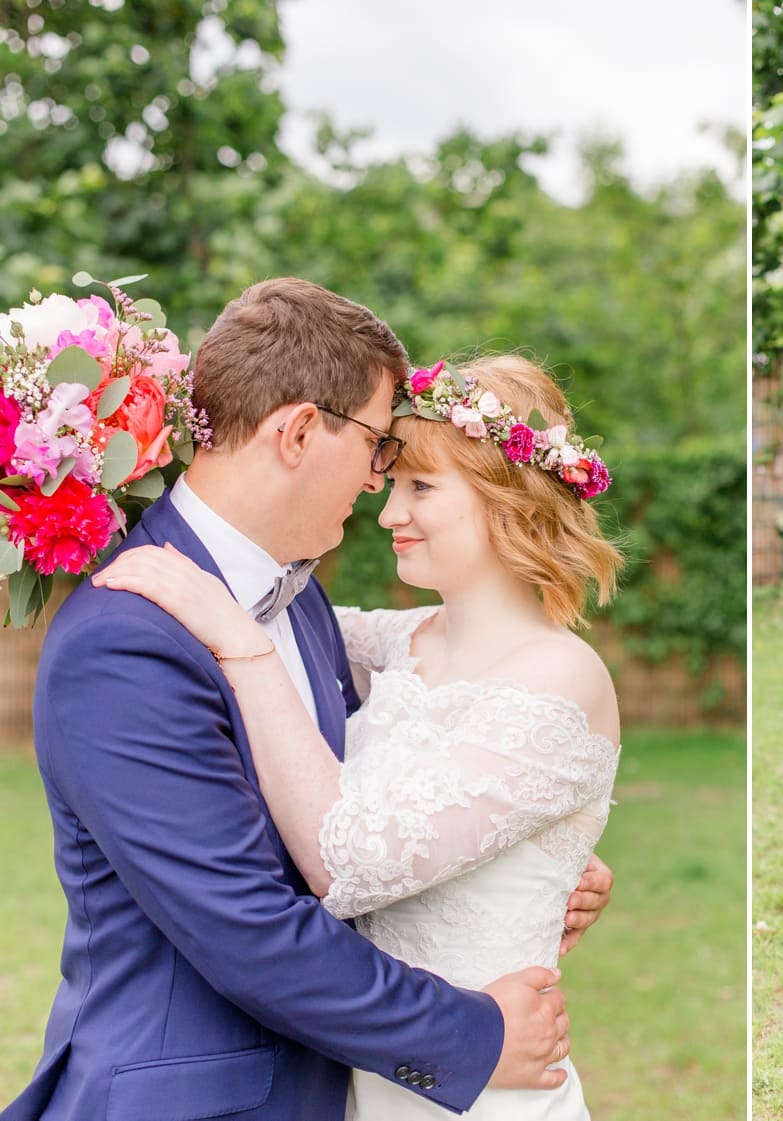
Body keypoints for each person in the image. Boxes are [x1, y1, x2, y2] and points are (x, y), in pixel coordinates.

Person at [4, 281, 611, 1121]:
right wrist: (474, 1037)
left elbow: (439, 757)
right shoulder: (127, 636)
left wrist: (530, 859)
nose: (376, 486)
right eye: (374, 448)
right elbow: (248, 927)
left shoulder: (298, 595)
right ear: (296, 432)